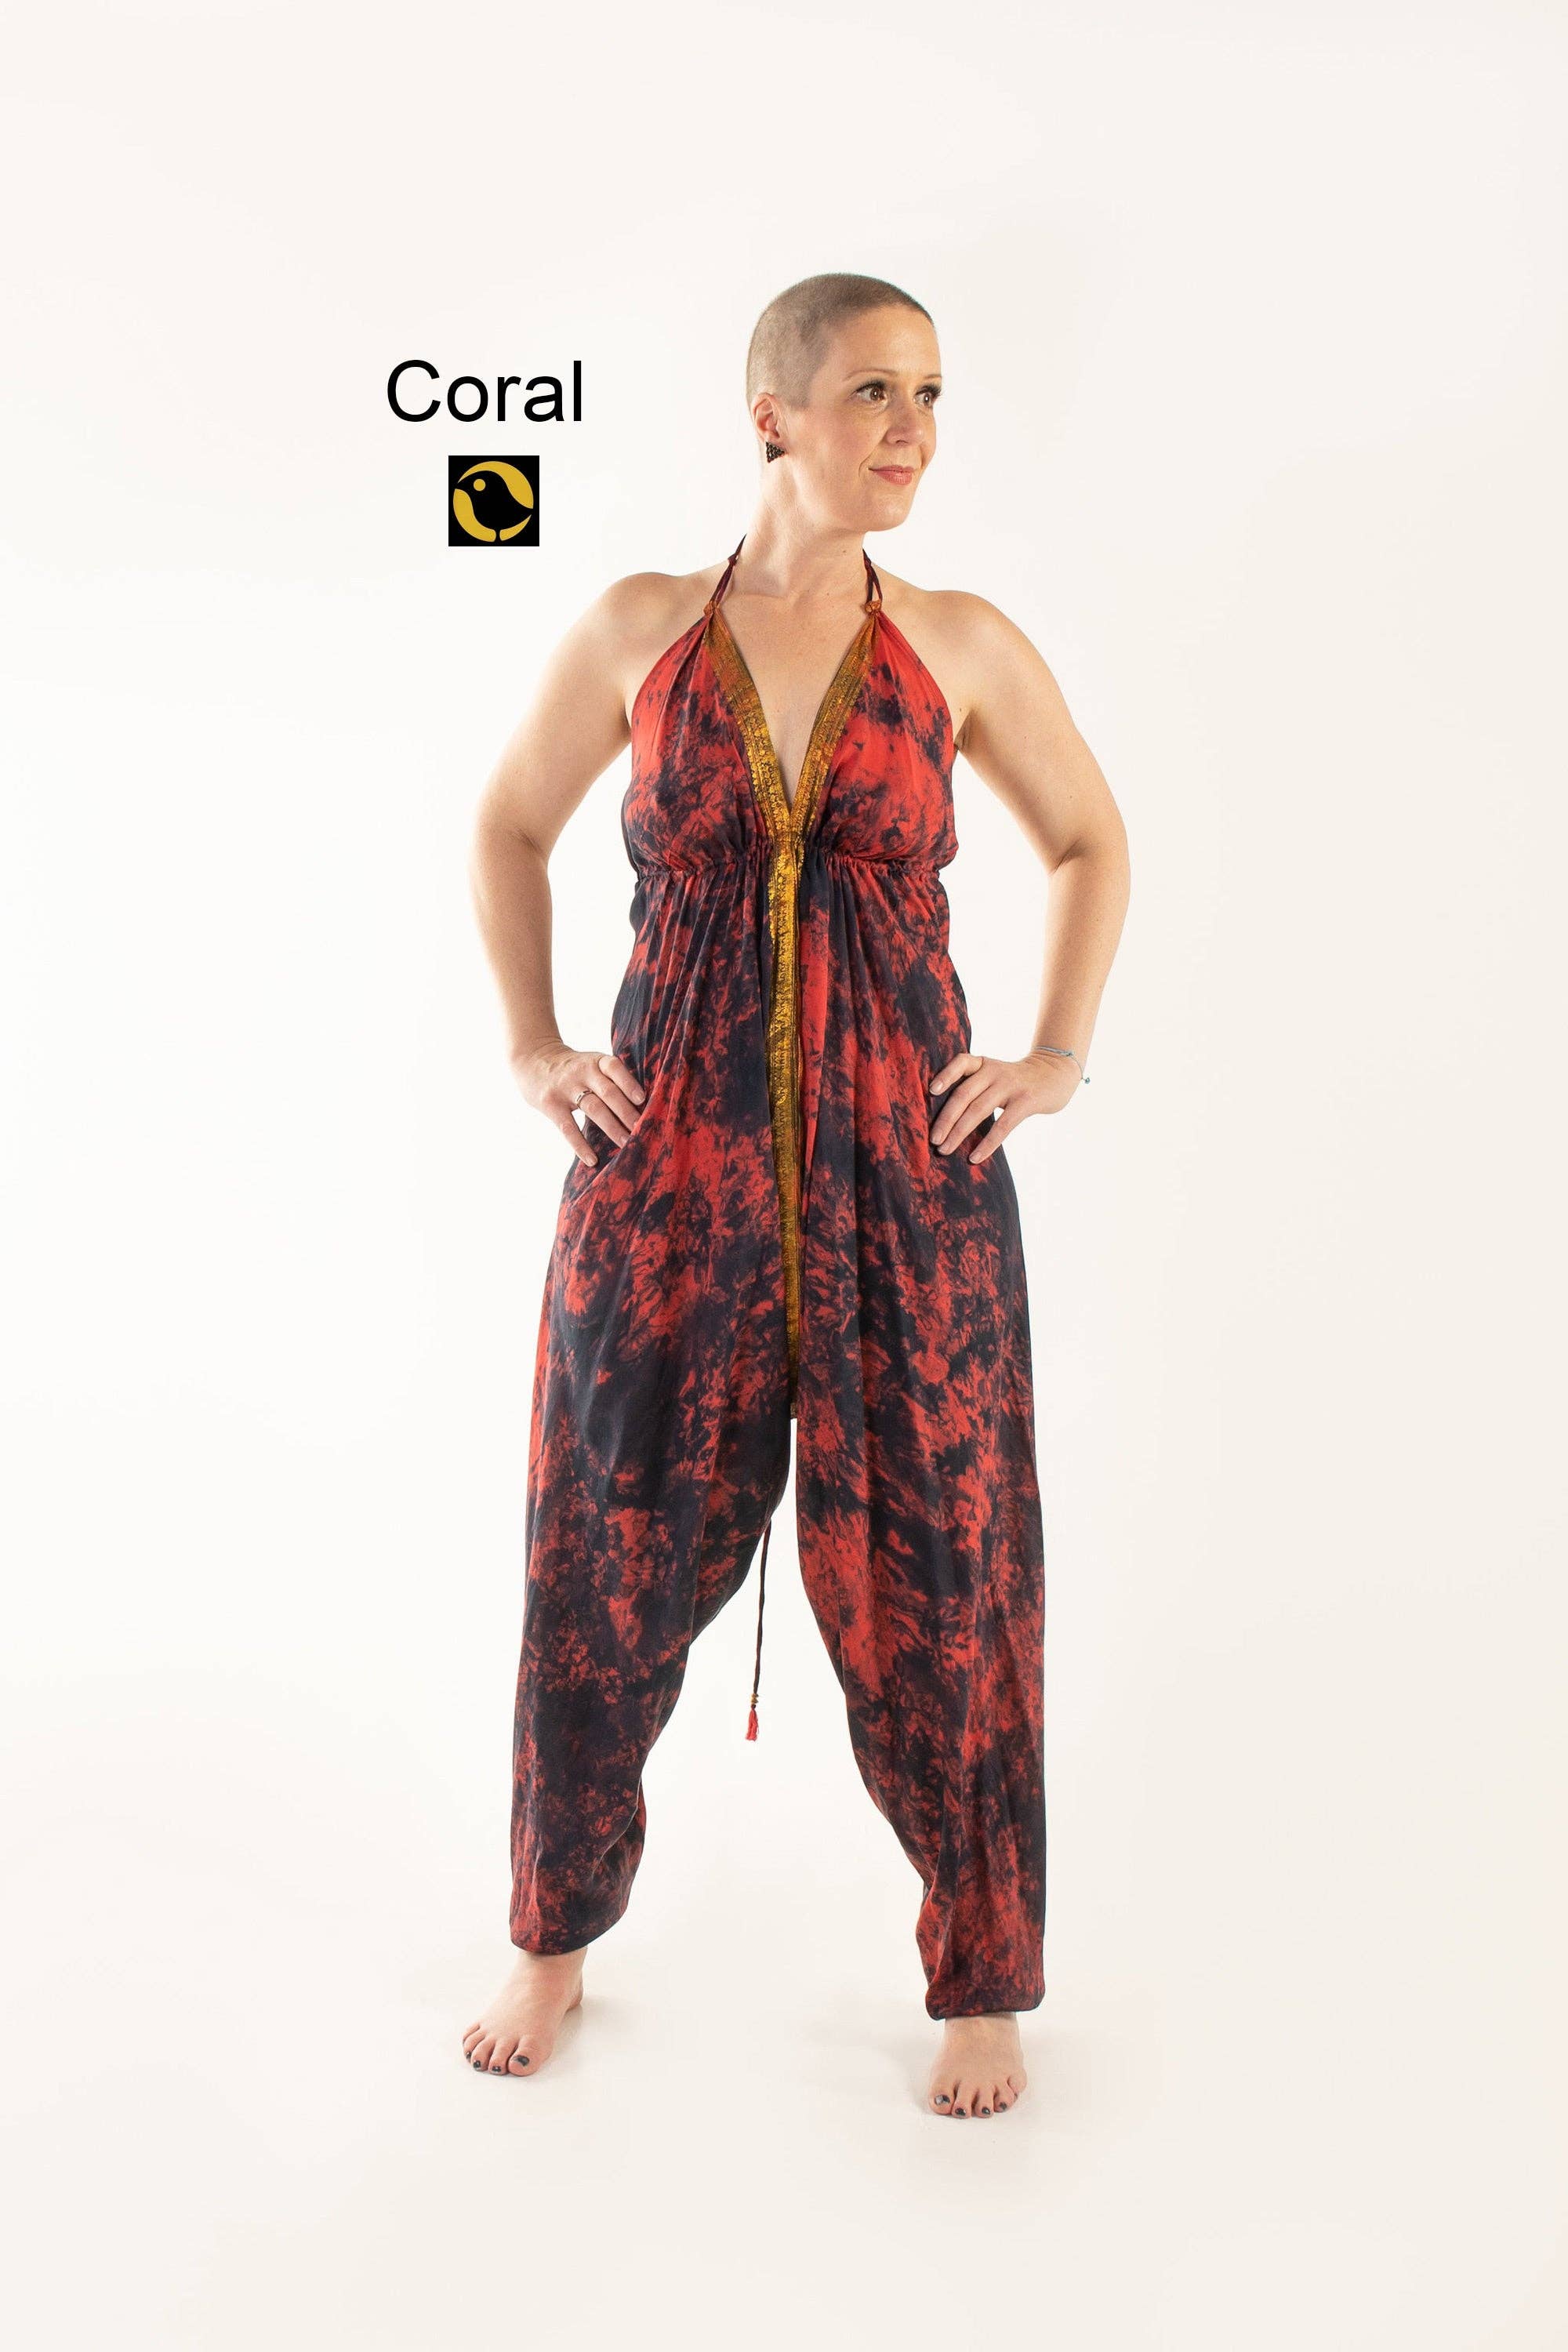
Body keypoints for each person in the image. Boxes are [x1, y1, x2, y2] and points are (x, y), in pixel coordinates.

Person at [463, 272, 1130, 2118]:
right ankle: (551, 1938)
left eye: (931, 395)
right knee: (598, 1558)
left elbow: (1090, 839)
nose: (911, 430)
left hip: (908, 1196)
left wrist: (1053, 1055)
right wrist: (532, 1045)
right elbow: (507, 824)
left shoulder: (959, 646)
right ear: (772, 413)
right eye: (871, 392)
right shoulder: (639, 631)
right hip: (660, 1190)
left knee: (950, 1574)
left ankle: (981, 1975)